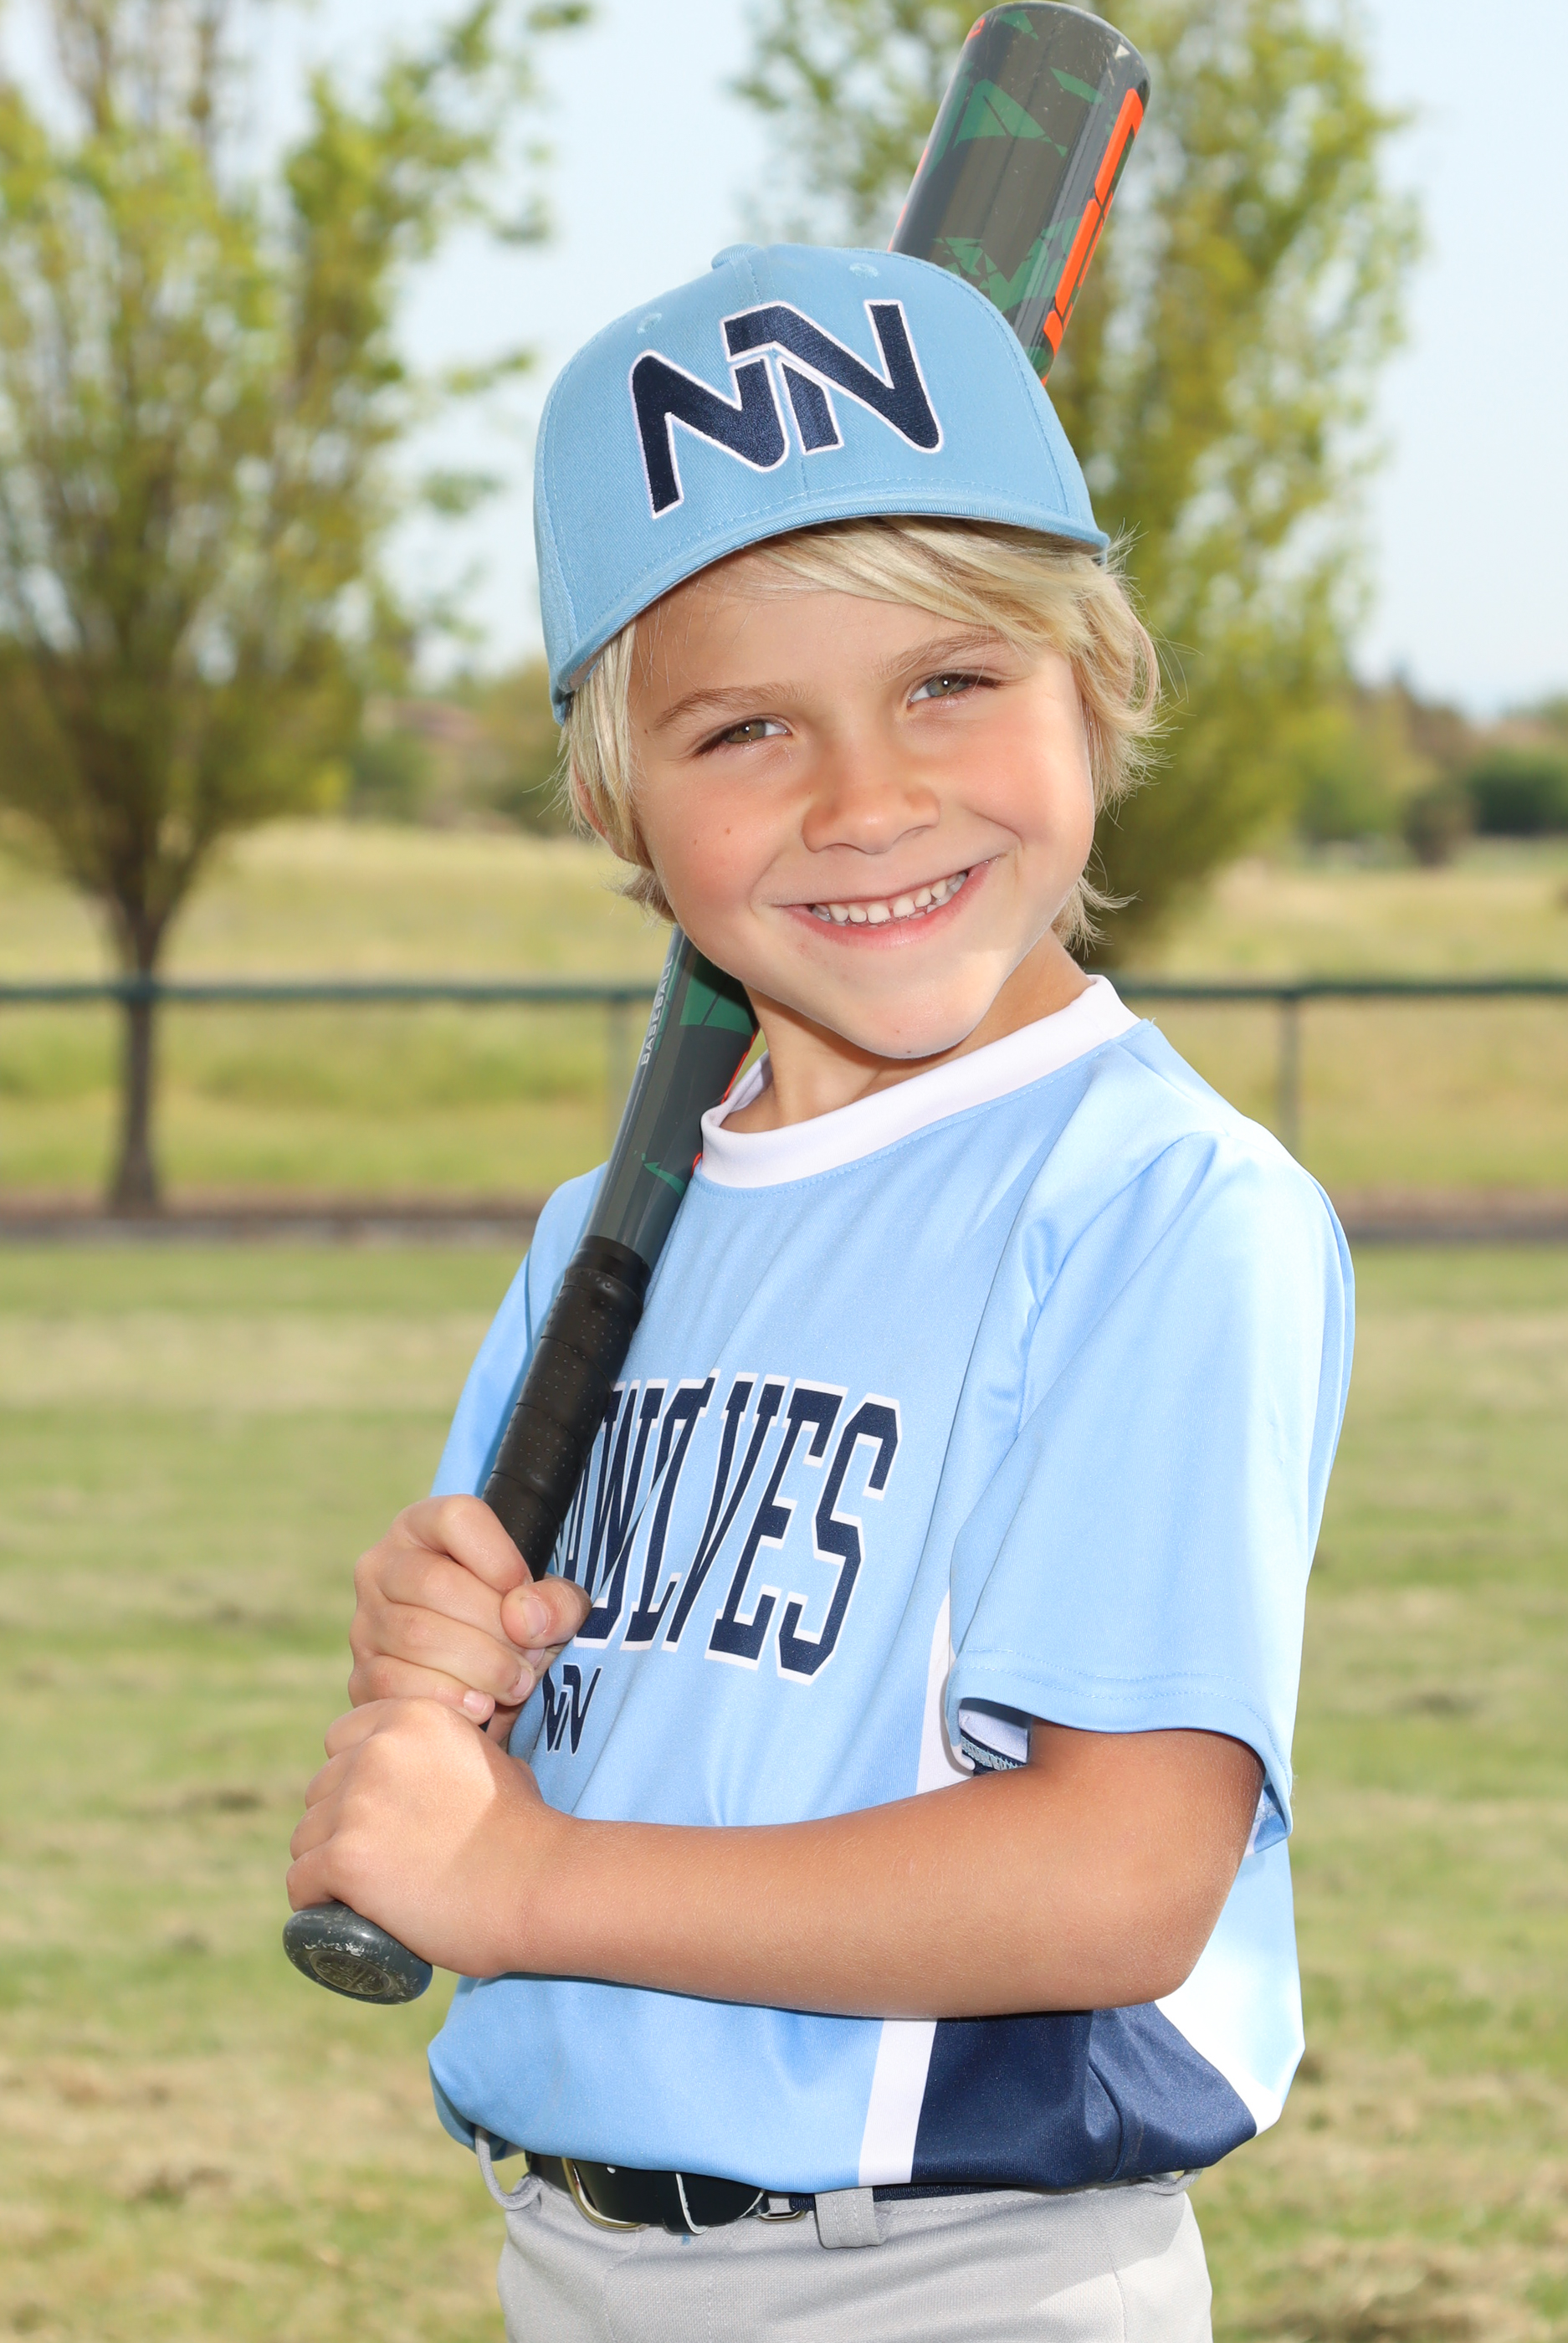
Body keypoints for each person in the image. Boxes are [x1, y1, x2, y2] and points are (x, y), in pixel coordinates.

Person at [287, 241, 1353, 2341]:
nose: (866, 799)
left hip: (949, 2269)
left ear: (1095, 688)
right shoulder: (610, 1228)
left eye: (950, 681)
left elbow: (1116, 1875)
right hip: (574, 2251)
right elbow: (561, 1725)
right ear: (620, 801)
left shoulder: (1155, 1203)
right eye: (745, 726)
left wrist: (524, 1878)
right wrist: (441, 1656)